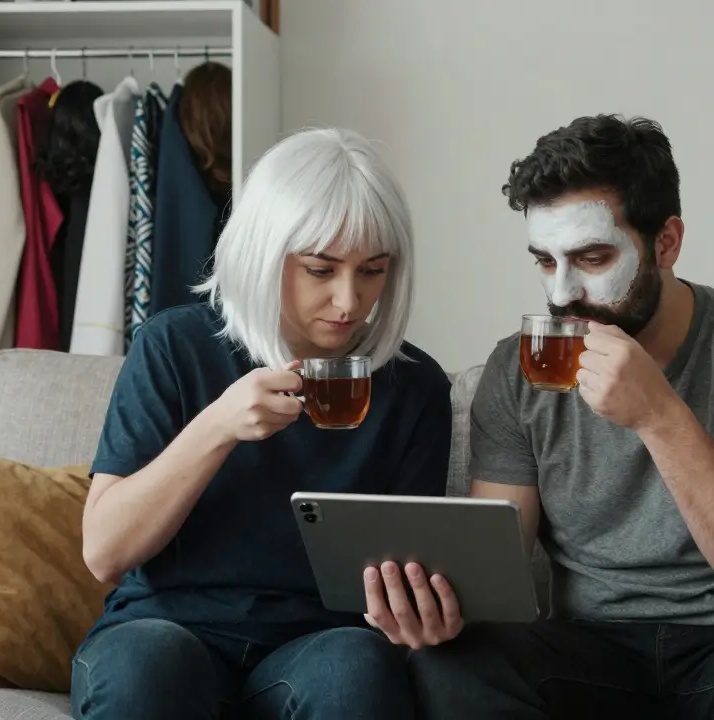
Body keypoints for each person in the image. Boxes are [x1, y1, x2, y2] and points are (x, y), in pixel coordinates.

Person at [366, 114, 714, 719]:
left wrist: (659, 416)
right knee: (450, 663)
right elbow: (496, 567)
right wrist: (433, 605)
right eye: (545, 261)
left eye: (592, 257)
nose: (562, 294)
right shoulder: (519, 370)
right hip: (590, 656)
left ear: (666, 242)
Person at [70, 127, 453, 720]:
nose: (350, 303)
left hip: (317, 645)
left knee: (355, 669)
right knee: (144, 667)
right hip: (167, 630)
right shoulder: (174, 348)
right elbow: (104, 553)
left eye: (372, 271)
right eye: (321, 270)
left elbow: (403, 583)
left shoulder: (415, 388)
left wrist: (418, 612)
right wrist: (217, 426)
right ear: (264, 252)